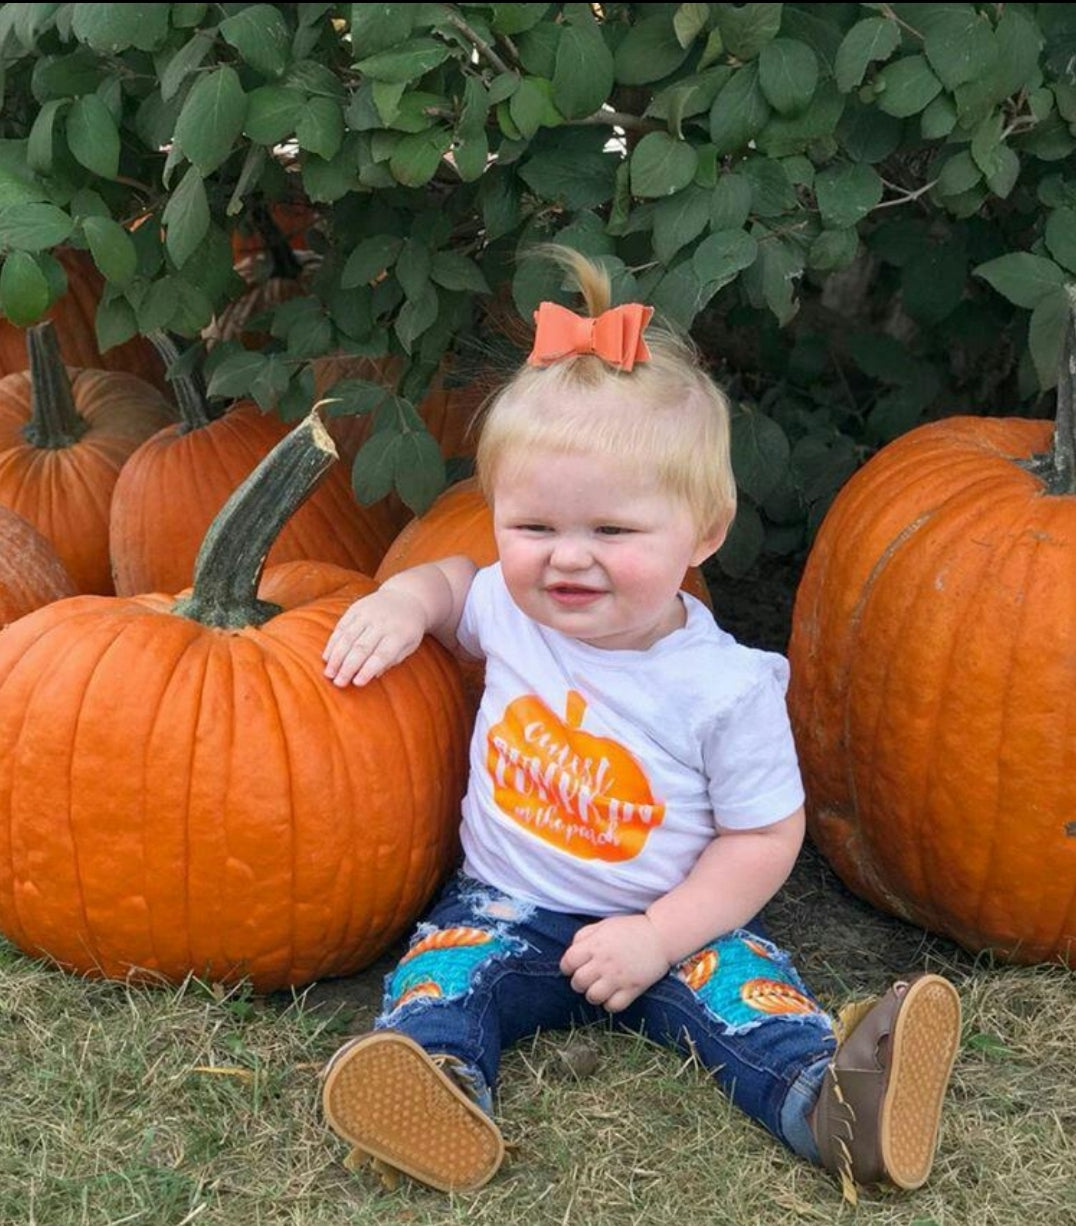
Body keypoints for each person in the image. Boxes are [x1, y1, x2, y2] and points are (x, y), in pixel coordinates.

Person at [318, 247, 961, 1201]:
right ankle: (439, 1090)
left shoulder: (723, 688)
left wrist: (660, 935)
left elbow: (763, 835)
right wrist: (408, 602)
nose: (566, 560)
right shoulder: (508, 603)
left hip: (673, 920)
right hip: (505, 903)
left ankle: (836, 1103)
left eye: (612, 533)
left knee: (748, 1003)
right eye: (533, 527)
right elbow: (458, 585)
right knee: (441, 984)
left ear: (704, 531)